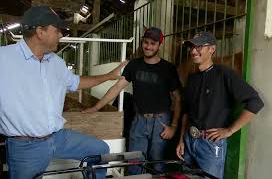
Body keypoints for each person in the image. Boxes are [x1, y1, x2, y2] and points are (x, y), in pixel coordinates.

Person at [0, 6, 127, 179]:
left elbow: (76, 82)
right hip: (25, 147)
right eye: (57, 30)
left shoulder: (56, 62)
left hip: (58, 138)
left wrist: (110, 76)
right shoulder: (0, 59)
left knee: (100, 150)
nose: (61, 34)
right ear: (40, 31)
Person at [84, 27, 182, 175]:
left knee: (158, 163)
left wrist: (173, 126)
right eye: (145, 42)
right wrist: (96, 108)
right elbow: (117, 87)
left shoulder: (168, 68)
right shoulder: (134, 65)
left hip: (161, 122)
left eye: (152, 44)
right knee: (134, 162)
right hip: (139, 120)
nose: (148, 47)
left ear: (159, 45)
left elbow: (178, 97)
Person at [176, 31, 264, 178]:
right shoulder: (191, 78)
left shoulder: (224, 74)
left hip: (210, 144)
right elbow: (186, 112)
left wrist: (229, 130)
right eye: (191, 47)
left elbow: (255, 102)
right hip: (189, 141)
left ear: (212, 49)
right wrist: (181, 140)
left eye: (199, 47)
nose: (193, 51)